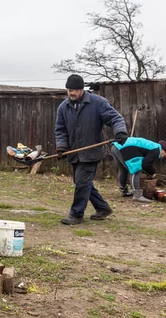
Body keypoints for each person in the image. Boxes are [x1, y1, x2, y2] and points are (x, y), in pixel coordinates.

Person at [55, 74, 128, 225]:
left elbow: (115, 118)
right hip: (74, 152)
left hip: (91, 151)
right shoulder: (64, 107)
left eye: (74, 90)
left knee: (82, 182)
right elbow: (60, 129)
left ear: (82, 89)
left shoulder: (98, 103)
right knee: (82, 182)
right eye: (69, 90)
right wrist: (61, 146)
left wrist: (120, 132)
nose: (71, 93)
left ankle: (76, 214)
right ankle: (103, 208)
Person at [111, 138, 166, 202]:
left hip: (116, 147)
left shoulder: (153, 146)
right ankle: (137, 195)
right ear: (163, 150)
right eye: (165, 155)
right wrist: (152, 173)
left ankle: (123, 191)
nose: (163, 157)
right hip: (125, 147)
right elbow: (145, 164)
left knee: (123, 170)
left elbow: (145, 163)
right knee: (136, 170)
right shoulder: (157, 150)